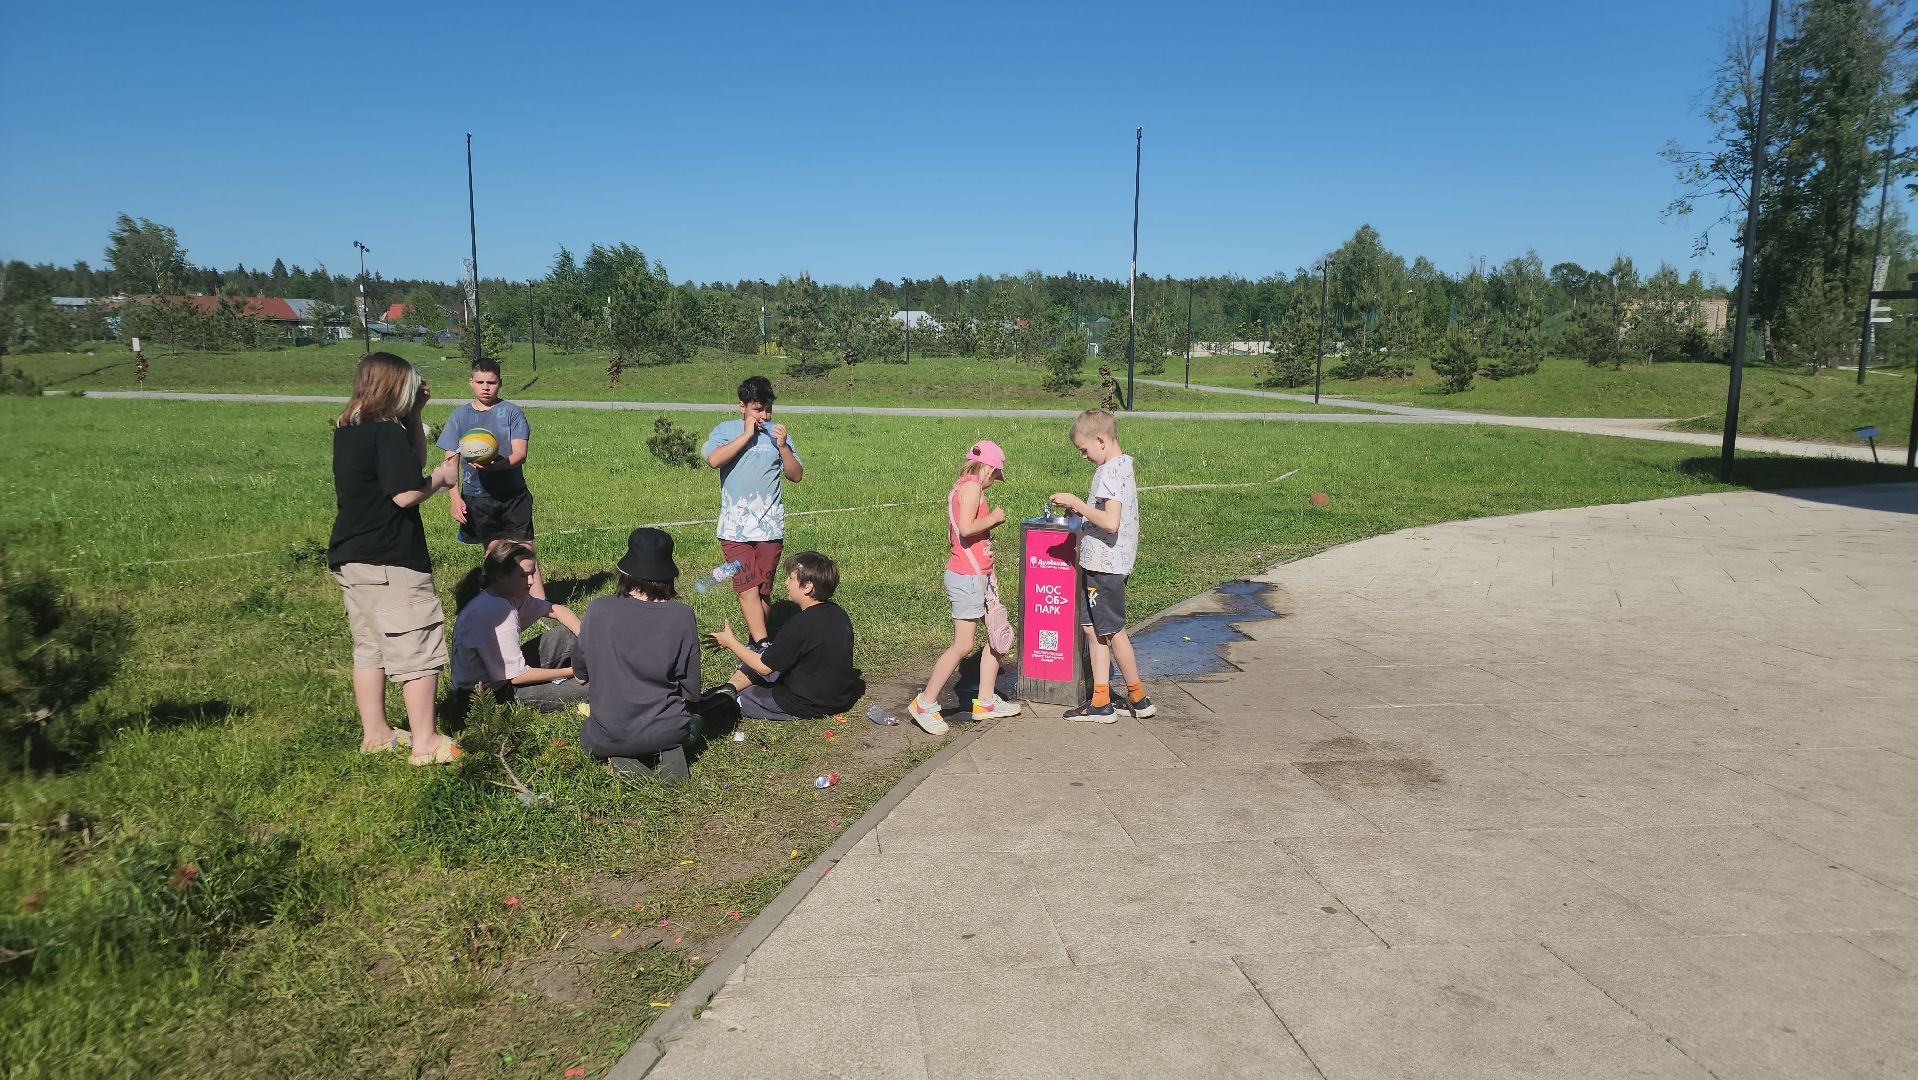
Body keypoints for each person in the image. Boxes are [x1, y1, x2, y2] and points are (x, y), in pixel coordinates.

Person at [327, 352, 464, 764]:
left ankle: (377, 732)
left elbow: (407, 466)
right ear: (394, 387)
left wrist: (415, 416)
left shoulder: (351, 429)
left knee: (371, 647)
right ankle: (425, 741)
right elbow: (405, 492)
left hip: (352, 556)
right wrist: (441, 480)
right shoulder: (385, 432)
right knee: (416, 645)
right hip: (390, 558)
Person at [574, 528, 713, 780]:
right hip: (668, 726)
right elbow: (690, 688)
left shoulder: (598, 609)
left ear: (625, 572)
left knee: (591, 734)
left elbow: (580, 670)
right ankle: (669, 747)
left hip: (609, 730)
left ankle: (623, 754)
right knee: (694, 721)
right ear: (668, 575)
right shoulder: (681, 615)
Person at [906, 440, 1022, 734]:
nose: (995, 482)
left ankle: (985, 701)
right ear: (989, 468)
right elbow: (967, 527)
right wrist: (995, 518)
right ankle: (925, 703)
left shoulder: (970, 487)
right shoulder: (971, 487)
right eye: (996, 476)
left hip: (979, 574)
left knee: (998, 633)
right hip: (967, 576)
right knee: (963, 645)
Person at [1049, 408, 1153, 723]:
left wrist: (1077, 504)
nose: (1083, 456)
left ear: (1101, 440)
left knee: (1111, 631)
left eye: (1084, 450)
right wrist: (1080, 517)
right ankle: (1106, 697)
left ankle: (1132, 697)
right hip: (1105, 562)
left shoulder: (1109, 472)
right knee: (1094, 630)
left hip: (1105, 566)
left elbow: (1110, 521)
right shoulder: (1120, 466)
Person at [702, 375, 802, 650]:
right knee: (746, 586)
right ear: (742, 407)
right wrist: (746, 434)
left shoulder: (778, 436)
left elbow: (796, 475)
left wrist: (782, 447)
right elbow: (713, 460)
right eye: (758, 409)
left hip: (770, 528)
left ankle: (754, 645)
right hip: (735, 529)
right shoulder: (726, 430)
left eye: (768, 409)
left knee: (763, 591)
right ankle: (764, 645)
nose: (765, 415)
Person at [709, 551, 865, 722]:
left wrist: (730, 642)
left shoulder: (800, 624)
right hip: (840, 697)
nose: (785, 583)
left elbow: (763, 667)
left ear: (808, 586)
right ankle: (730, 687)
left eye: (791, 578)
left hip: (806, 703)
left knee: (742, 697)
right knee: (769, 664)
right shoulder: (838, 613)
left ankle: (724, 697)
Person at [436, 358, 542, 596]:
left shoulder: (511, 413)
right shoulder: (459, 417)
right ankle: (500, 601)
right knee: (494, 551)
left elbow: (520, 454)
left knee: (524, 549)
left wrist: (494, 467)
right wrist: (455, 499)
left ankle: (538, 602)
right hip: (477, 497)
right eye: (480, 381)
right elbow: (449, 463)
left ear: (500, 383)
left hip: (513, 495)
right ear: (471, 383)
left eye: (491, 382)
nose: (486, 387)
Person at [450, 542, 586, 712]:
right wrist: (573, 672)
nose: (531, 581)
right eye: (523, 575)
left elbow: (557, 610)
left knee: (569, 632)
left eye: (532, 574)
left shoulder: (508, 593)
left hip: (504, 676)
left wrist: (587, 639)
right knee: (593, 688)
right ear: (501, 576)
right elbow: (518, 677)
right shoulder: (499, 611)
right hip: (488, 696)